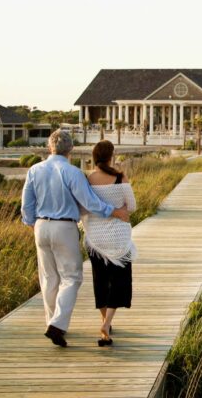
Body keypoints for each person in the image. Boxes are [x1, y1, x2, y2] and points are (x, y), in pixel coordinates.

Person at [21, 130, 130, 348]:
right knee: (71, 277)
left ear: (50, 147)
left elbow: (26, 205)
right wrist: (114, 211)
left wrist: (34, 224)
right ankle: (57, 325)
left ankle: (53, 323)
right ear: (70, 149)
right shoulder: (72, 172)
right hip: (64, 226)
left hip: (40, 226)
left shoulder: (34, 170)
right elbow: (89, 202)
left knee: (49, 278)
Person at [82, 140, 137, 347]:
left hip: (95, 238)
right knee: (120, 280)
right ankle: (107, 323)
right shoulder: (120, 177)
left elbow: (85, 206)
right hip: (118, 237)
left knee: (100, 280)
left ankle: (103, 320)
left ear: (94, 157)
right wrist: (119, 207)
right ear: (111, 156)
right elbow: (131, 206)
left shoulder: (87, 179)